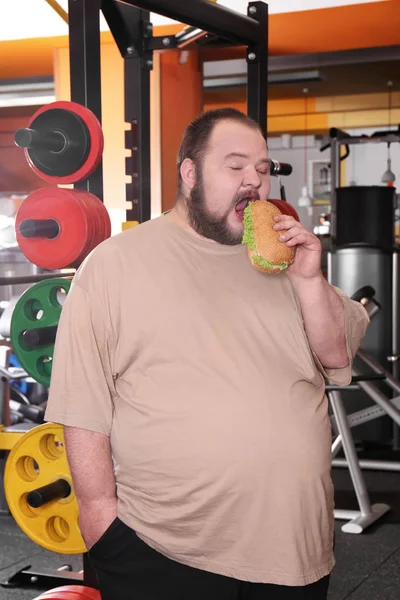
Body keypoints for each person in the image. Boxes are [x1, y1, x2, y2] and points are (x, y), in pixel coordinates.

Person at [45, 107, 369, 600]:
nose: (253, 182)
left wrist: (309, 280)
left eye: (262, 169)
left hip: (293, 550)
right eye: (235, 166)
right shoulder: (115, 265)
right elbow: (82, 407)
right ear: (190, 172)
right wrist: (101, 523)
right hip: (161, 549)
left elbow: (337, 355)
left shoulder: (282, 257)